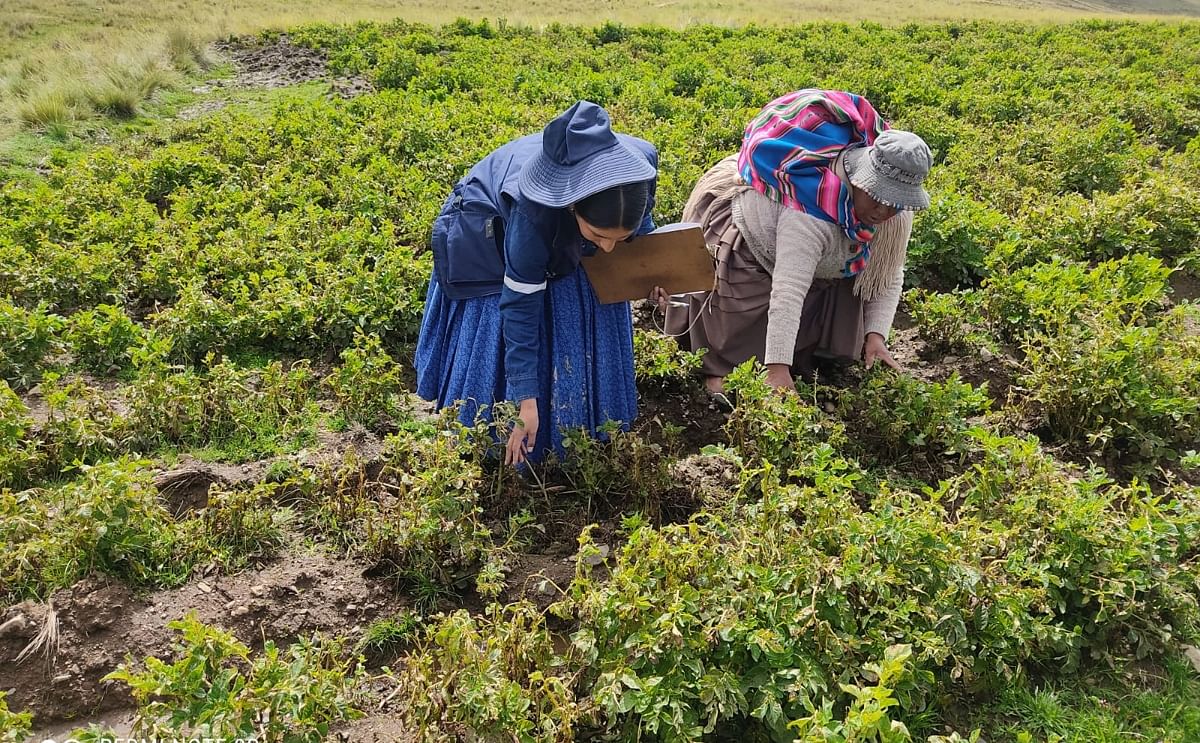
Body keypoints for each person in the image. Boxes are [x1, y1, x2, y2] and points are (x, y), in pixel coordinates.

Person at [415, 100, 659, 466]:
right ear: (573, 206)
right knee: (505, 319)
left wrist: (652, 270)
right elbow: (519, 305)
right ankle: (493, 437)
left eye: (617, 239)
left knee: (580, 281)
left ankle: (582, 430)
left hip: (557, 225)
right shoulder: (531, 212)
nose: (608, 249)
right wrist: (524, 402)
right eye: (597, 234)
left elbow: (640, 227)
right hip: (484, 234)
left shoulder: (639, 170)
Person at [664, 89, 933, 402]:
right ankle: (721, 369)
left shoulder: (894, 212)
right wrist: (776, 369)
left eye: (894, 203)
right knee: (733, 357)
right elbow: (788, 291)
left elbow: (888, 273)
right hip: (753, 253)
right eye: (876, 196)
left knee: (820, 331)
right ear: (861, 178)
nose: (882, 210)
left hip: (822, 263)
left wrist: (876, 336)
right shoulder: (812, 210)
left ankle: (799, 351)